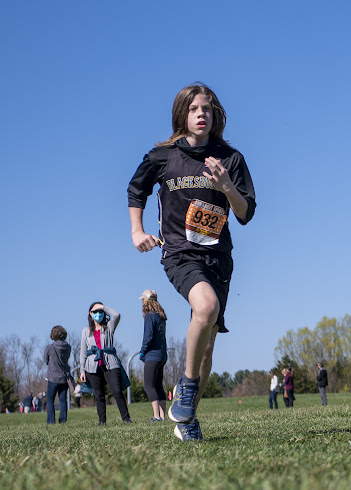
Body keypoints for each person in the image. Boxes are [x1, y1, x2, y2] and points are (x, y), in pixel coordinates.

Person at [127, 83, 257, 441]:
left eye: (208, 109)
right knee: (206, 305)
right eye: (195, 108)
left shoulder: (230, 159)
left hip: (218, 258)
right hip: (180, 254)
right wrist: (137, 232)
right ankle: (186, 385)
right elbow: (136, 190)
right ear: (182, 114)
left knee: (208, 344)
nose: (202, 114)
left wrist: (227, 185)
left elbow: (245, 214)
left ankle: (188, 419)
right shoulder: (163, 156)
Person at [80, 302, 132, 425]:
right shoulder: (86, 331)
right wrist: (82, 370)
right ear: (90, 314)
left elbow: (117, 315)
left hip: (110, 363)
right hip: (92, 366)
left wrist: (103, 307)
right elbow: (83, 351)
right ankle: (102, 421)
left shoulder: (109, 326)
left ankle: (126, 419)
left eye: (100, 311)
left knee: (117, 391)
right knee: (99, 395)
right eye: (95, 311)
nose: (98, 314)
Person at [138, 289, 169, 423]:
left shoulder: (150, 316)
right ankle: (162, 416)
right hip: (162, 355)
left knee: (149, 386)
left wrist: (142, 351)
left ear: (145, 301)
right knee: (158, 386)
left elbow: (148, 337)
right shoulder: (161, 316)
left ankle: (156, 416)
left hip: (152, 356)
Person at [44, 326, 71, 424]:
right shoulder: (68, 347)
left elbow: (46, 360)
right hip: (64, 377)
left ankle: (51, 421)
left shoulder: (49, 347)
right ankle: (63, 421)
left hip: (52, 378)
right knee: (63, 400)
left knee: (50, 400)